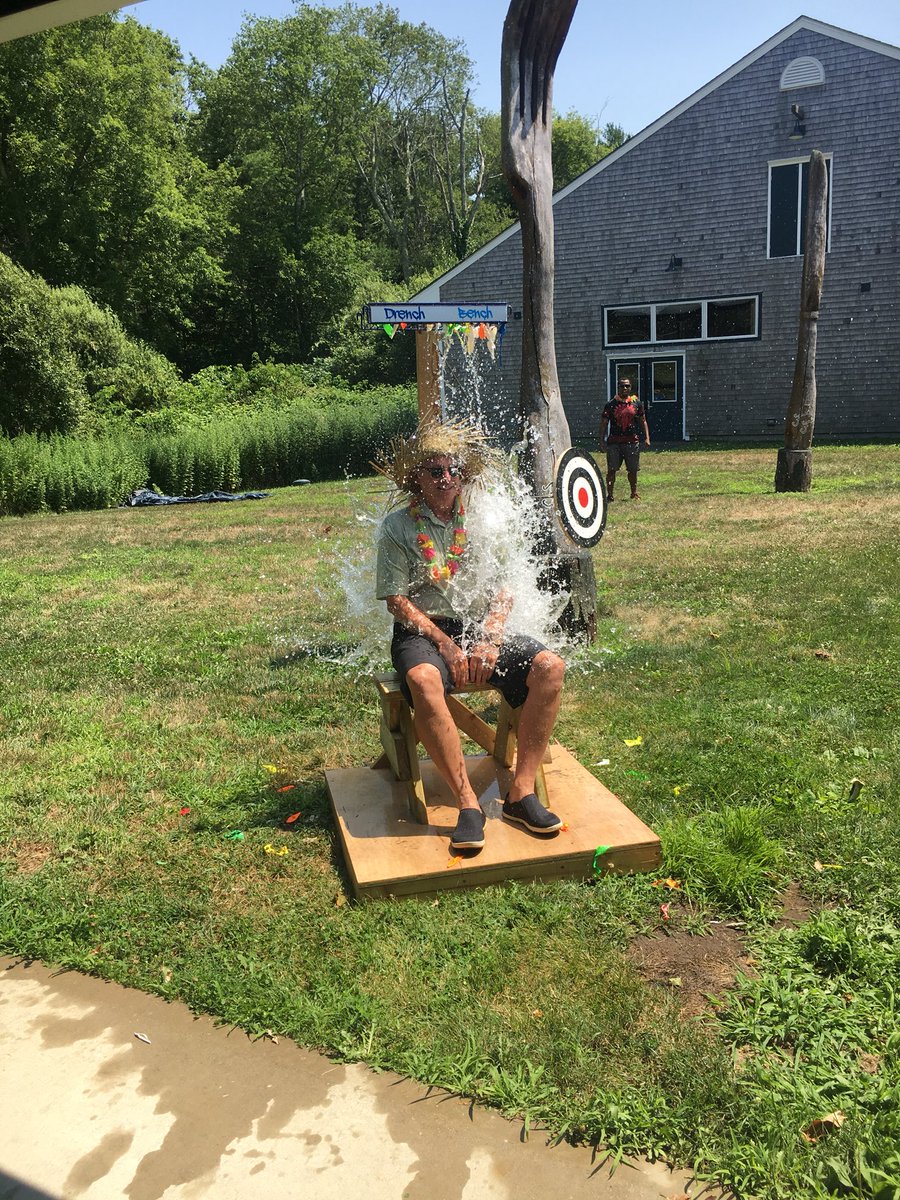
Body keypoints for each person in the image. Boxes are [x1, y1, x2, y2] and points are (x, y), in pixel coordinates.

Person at [374, 418, 565, 852]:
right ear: (416, 478)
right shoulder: (398, 527)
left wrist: (492, 636)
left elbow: (504, 586)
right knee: (423, 680)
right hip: (421, 630)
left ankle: (521, 793)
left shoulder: (482, 520)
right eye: (434, 470)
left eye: (452, 470)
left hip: (479, 627)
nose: (444, 479)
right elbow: (396, 600)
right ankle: (467, 805)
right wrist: (443, 643)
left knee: (549, 667)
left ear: (463, 475)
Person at [599, 378, 650, 501]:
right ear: (618, 388)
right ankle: (610, 495)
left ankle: (634, 492)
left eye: (627, 386)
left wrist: (647, 437)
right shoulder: (611, 404)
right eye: (622, 386)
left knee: (633, 470)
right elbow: (604, 423)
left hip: (632, 442)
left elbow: (643, 421)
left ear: (630, 387)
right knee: (611, 470)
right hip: (614, 443)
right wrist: (601, 440)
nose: (625, 388)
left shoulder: (636, 403)